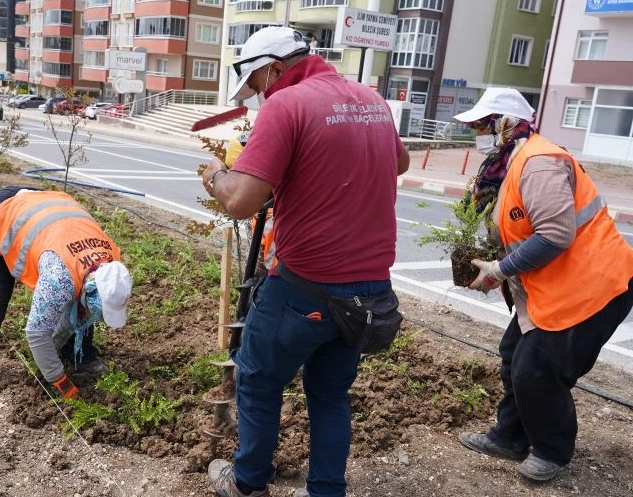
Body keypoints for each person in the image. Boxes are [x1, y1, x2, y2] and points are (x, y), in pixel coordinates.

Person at [201, 26, 410, 497]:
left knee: (257, 380)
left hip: (304, 287)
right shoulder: (370, 100)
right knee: (331, 395)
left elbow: (240, 202)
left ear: (275, 69)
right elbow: (399, 163)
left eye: (256, 86)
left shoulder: (286, 104)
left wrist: (217, 174)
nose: (257, 99)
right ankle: (325, 491)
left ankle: (249, 484)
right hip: (370, 292)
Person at [453, 88, 633, 482]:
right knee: (513, 355)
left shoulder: (539, 163)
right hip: (552, 285)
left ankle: (553, 451)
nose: (478, 133)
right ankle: (510, 437)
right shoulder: (507, 163)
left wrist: (500, 270)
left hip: (591, 286)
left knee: (537, 369)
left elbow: (554, 234)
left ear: (505, 124)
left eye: (483, 124)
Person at [0, 186, 133, 400]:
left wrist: (53, 349)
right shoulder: (59, 278)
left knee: (79, 305)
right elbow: (37, 333)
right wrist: (57, 378)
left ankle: (79, 355)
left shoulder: (111, 264)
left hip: (47, 207)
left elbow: (79, 311)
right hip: (4, 214)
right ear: (89, 288)